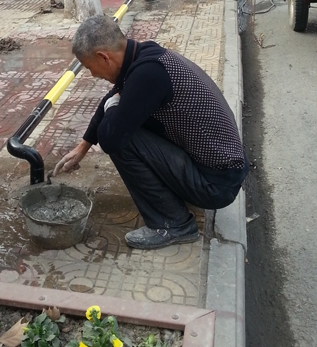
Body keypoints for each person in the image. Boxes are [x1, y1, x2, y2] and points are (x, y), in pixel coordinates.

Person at [53, 16, 249, 249]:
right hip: (224, 171)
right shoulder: (145, 56)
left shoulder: (148, 75)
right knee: (123, 116)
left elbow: (111, 139)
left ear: (103, 57)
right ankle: (180, 196)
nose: (92, 74)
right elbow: (114, 96)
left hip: (216, 186)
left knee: (121, 138)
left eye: (89, 67)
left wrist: (113, 107)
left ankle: (174, 224)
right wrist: (83, 146)